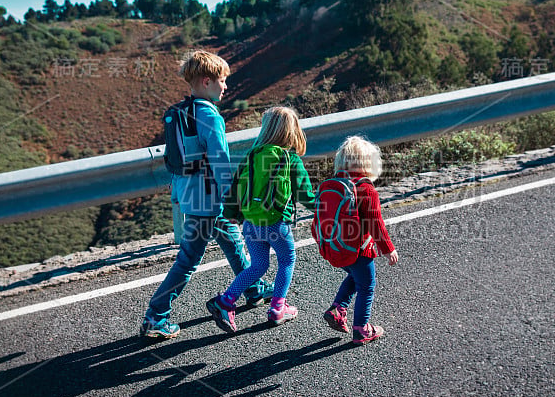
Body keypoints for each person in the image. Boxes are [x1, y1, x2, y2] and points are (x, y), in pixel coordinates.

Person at [140, 50, 272, 339]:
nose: (225, 86)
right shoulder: (209, 115)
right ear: (206, 80)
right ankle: (156, 316)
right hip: (209, 201)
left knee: (232, 239)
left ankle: (252, 288)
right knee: (188, 260)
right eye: (222, 80)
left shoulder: (183, 113)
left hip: (193, 196)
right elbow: (220, 161)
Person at [206, 106, 316, 333]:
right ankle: (278, 308)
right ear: (292, 131)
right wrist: (324, 208)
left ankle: (226, 301)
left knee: (258, 265)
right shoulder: (290, 159)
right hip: (276, 223)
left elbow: (235, 187)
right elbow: (305, 195)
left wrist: (233, 215)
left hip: (250, 223)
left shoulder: (252, 156)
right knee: (287, 260)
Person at [322, 136, 398, 345]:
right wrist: (388, 248)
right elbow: (376, 223)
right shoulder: (366, 189)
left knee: (356, 278)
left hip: (336, 247)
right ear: (369, 163)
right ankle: (362, 329)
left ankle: (338, 309)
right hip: (359, 250)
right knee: (367, 286)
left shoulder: (335, 185)